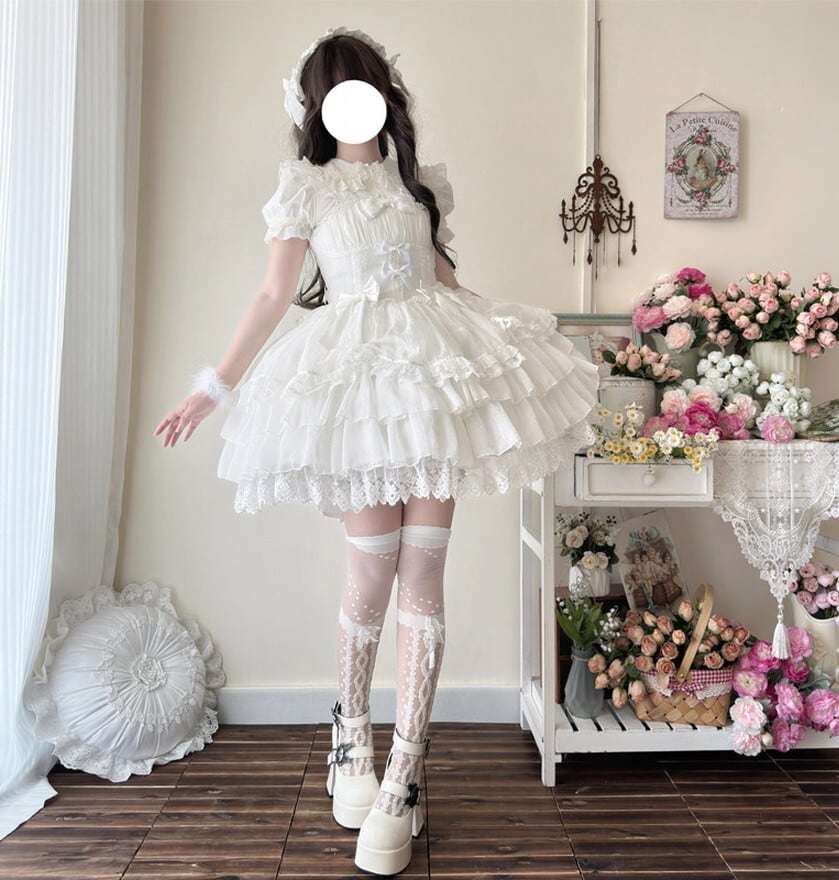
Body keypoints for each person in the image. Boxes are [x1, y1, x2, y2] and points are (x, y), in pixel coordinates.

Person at [154, 27, 599, 877]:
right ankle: (351, 736)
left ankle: (405, 771)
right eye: (341, 89)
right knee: (372, 573)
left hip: (432, 386)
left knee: (423, 574)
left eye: (368, 84)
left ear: (384, 94)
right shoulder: (305, 186)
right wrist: (214, 388)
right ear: (318, 104)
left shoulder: (415, 183)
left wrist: (515, 335)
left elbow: (443, 283)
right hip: (360, 394)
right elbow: (273, 295)